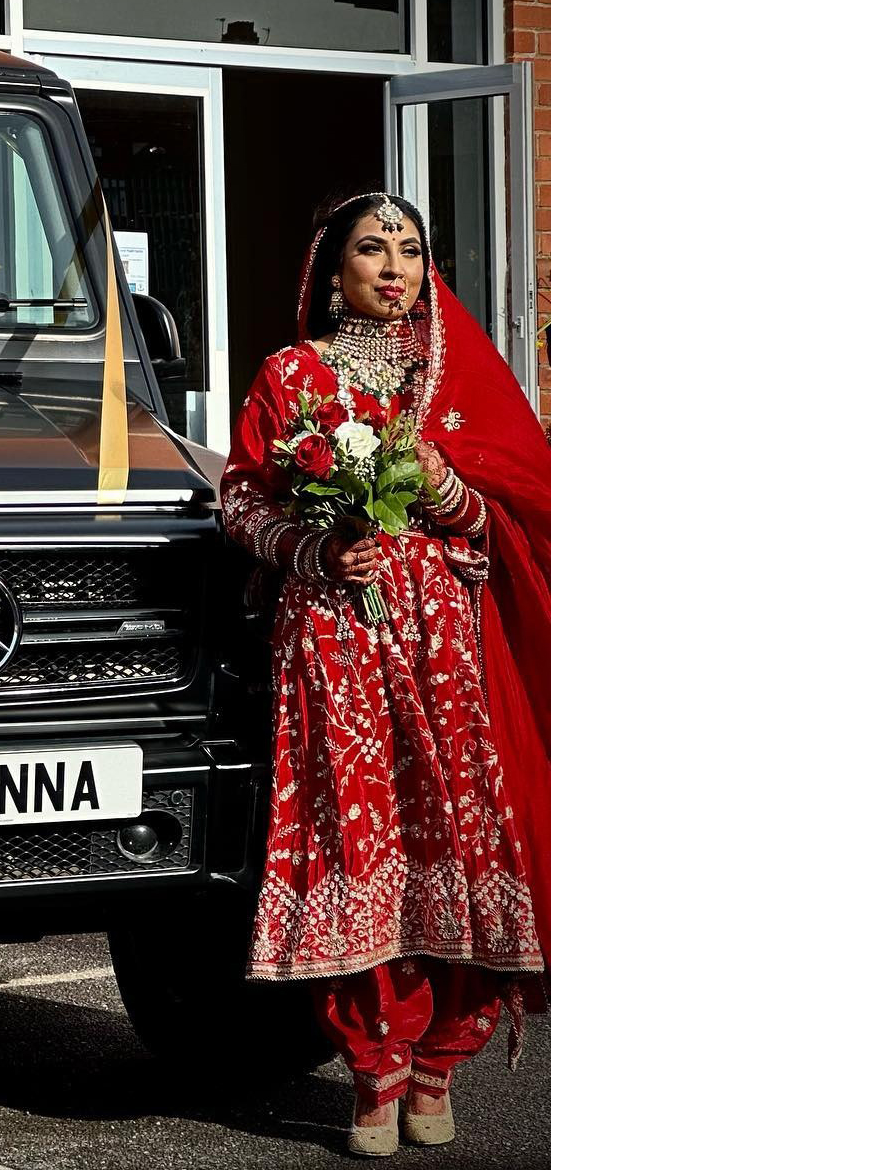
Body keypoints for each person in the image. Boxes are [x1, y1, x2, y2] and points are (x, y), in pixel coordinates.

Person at [217, 192, 551, 1157]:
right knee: (358, 836)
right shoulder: (292, 375)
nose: (394, 266)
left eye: (410, 249)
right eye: (373, 248)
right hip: (335, 634)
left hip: (448, 638)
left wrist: (449, 492)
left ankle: (442, 1060)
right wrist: (312, 552)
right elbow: (240, 499)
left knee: (457, 827)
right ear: (333, 271)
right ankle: (374, 1070)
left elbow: (519, 505)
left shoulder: (457, 374)